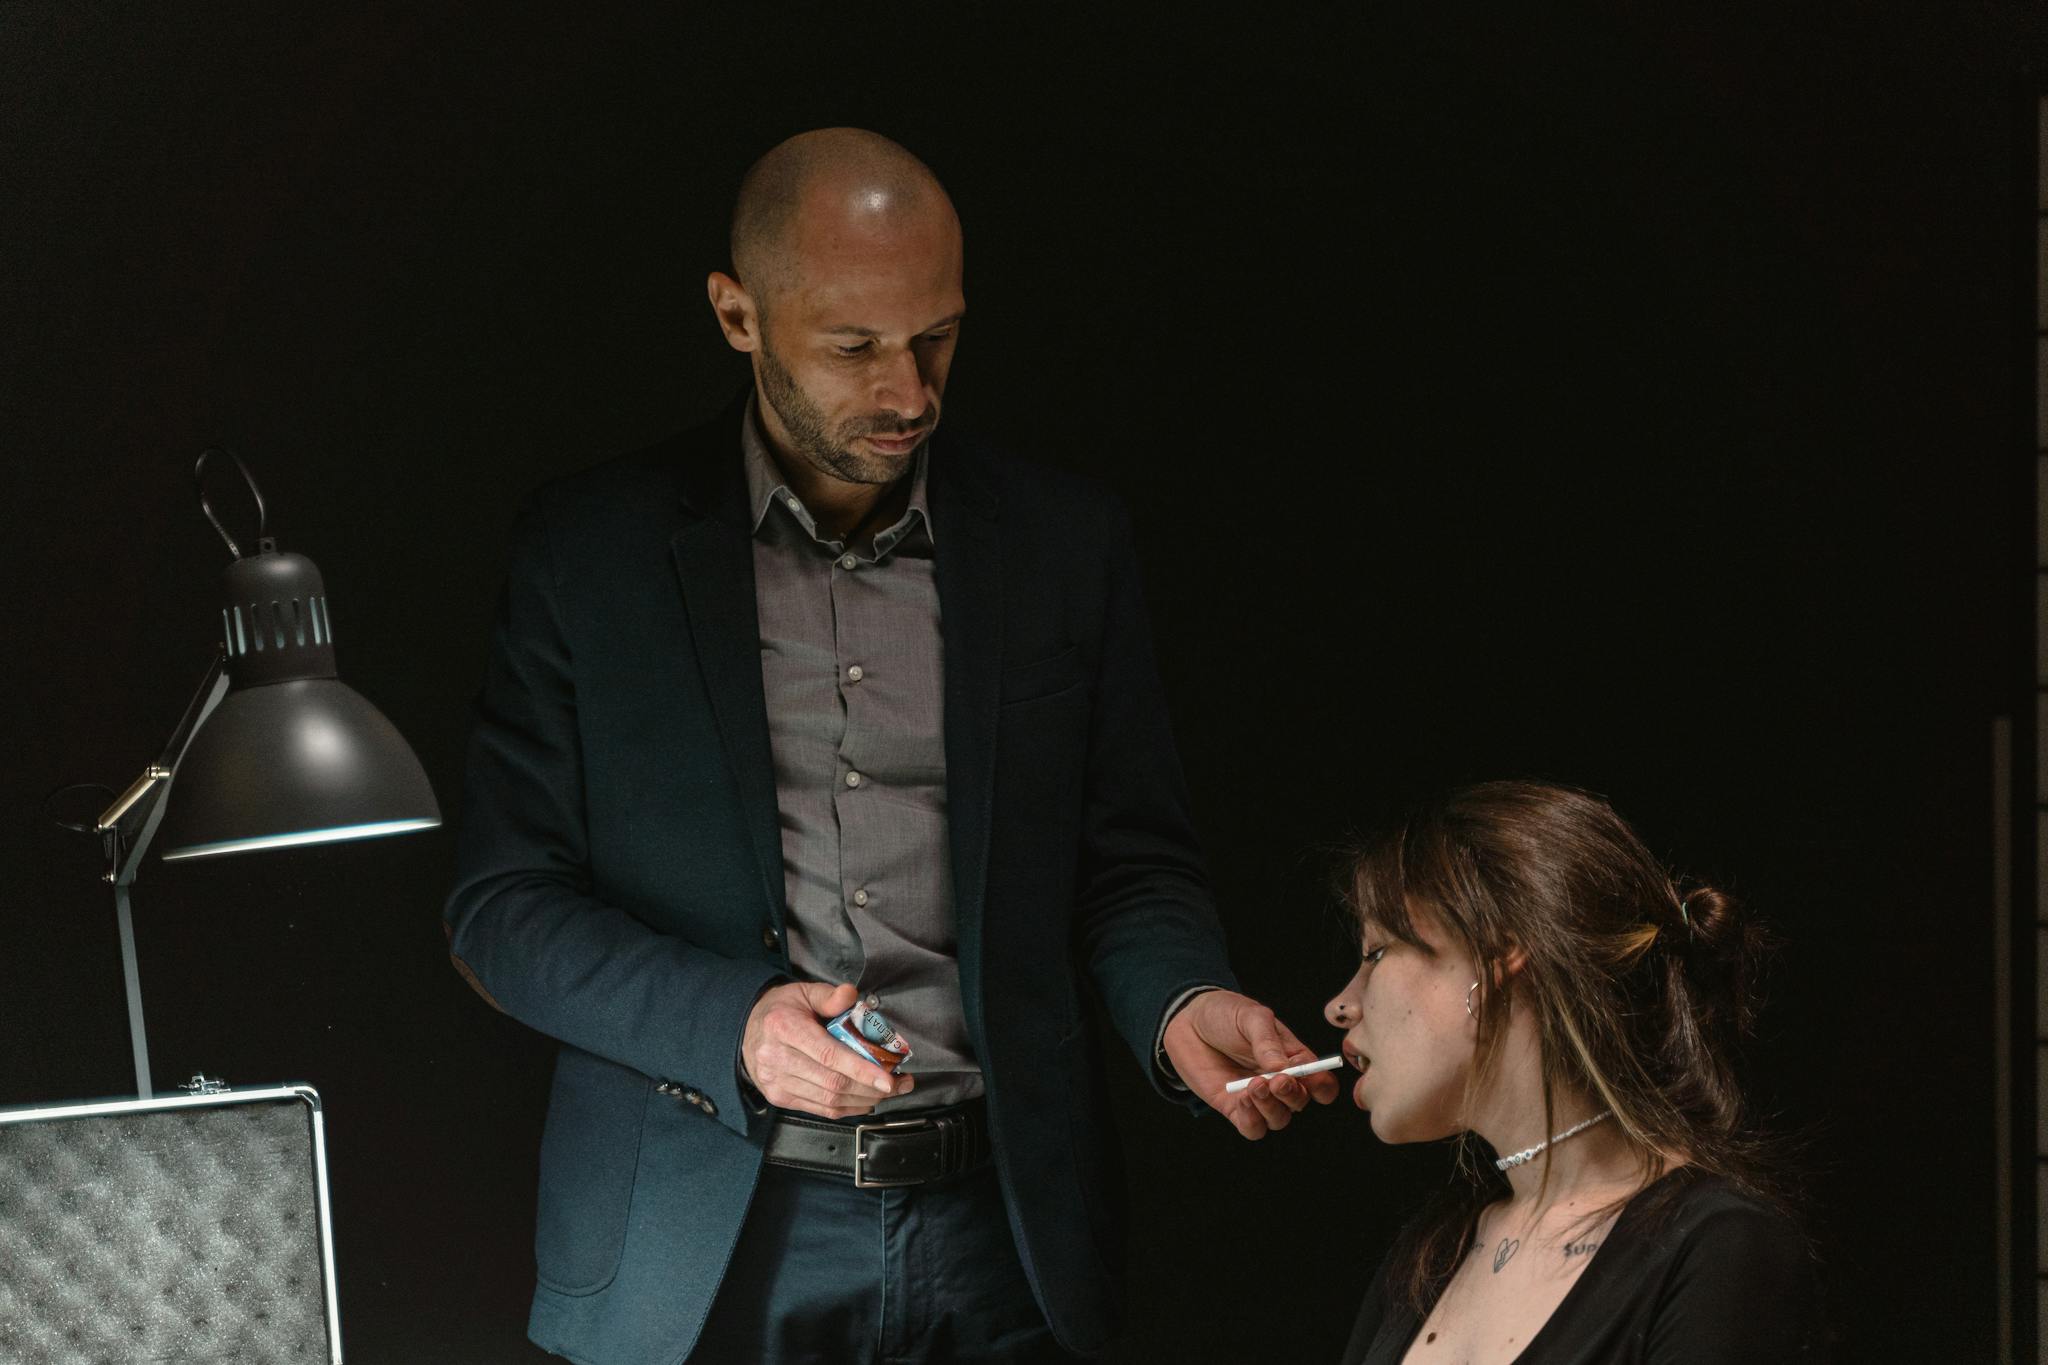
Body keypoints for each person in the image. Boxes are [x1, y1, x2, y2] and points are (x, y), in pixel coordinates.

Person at [442, 126, 1337, 1365]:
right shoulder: (586, 556)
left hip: (1007, 1240)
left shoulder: (1062, 545)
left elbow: (1128, 862)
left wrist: (1179, 999)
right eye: (855, 347)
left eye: (938, 338)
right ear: (737, 316)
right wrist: (740, 1024)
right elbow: (501, 909)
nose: (909, 393)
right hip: (698, 1249)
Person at [1322, 780, 1826, 1363]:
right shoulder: (1429, 1256)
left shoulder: (1721, 1249)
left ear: (1497, 952)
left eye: (1377, 952)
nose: (1339, 1005)